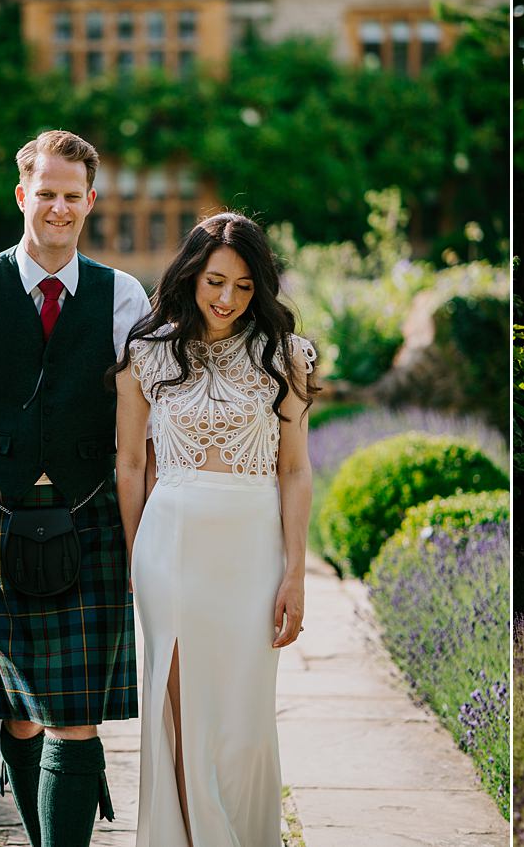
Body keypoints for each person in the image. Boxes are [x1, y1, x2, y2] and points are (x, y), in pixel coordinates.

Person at [0, 130, 152, 847]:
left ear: (91, 202)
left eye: (72, 196)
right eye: (45, 193)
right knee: (21, 709)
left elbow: (144, 429)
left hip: (91, 524)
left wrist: (151, 539)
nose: (58, 208)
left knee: (71, 711)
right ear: (23, 195)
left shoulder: (123, 297)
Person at [112, 211, 316, 847]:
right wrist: (132, 560)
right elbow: (131, 463)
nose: (228, 299)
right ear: (189, 276)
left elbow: (296, 472)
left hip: (253, 549)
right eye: (215, 282)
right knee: (180, 711)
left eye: (245, 287)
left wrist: (295, 574)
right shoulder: (146, 354)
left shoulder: (282, 356)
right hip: (168, 547)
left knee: (242, 720)